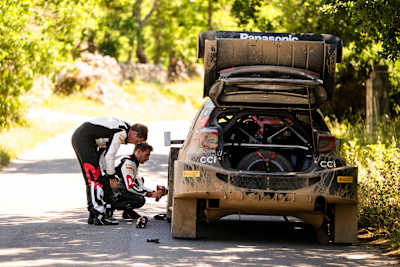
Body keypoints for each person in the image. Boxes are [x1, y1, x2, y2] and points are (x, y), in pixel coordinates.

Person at [71, 117, 148, 225]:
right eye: (137, 141)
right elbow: (110, 155)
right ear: (134, 133)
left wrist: (106, 173)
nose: (134, 144)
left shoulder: (120, 129)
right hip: (84, 139)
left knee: (96, 177)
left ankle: (93, 215)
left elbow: (103, 154)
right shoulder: (121, 132)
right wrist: (111, 175)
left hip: (85, 138)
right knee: (94, 178)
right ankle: (99, 215)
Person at [108, 142, 167, 219]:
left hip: (116, 189)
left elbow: (139, 185)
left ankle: (128, 212)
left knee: (139, 181)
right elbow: (131, 186)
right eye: (147, 155)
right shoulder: (128, 163)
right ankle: (109, 207)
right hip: (110, 192)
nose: (147, 158)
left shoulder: (133, 161)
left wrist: (154, 192)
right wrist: (150, 194)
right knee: (139, 199)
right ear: (138, 152)